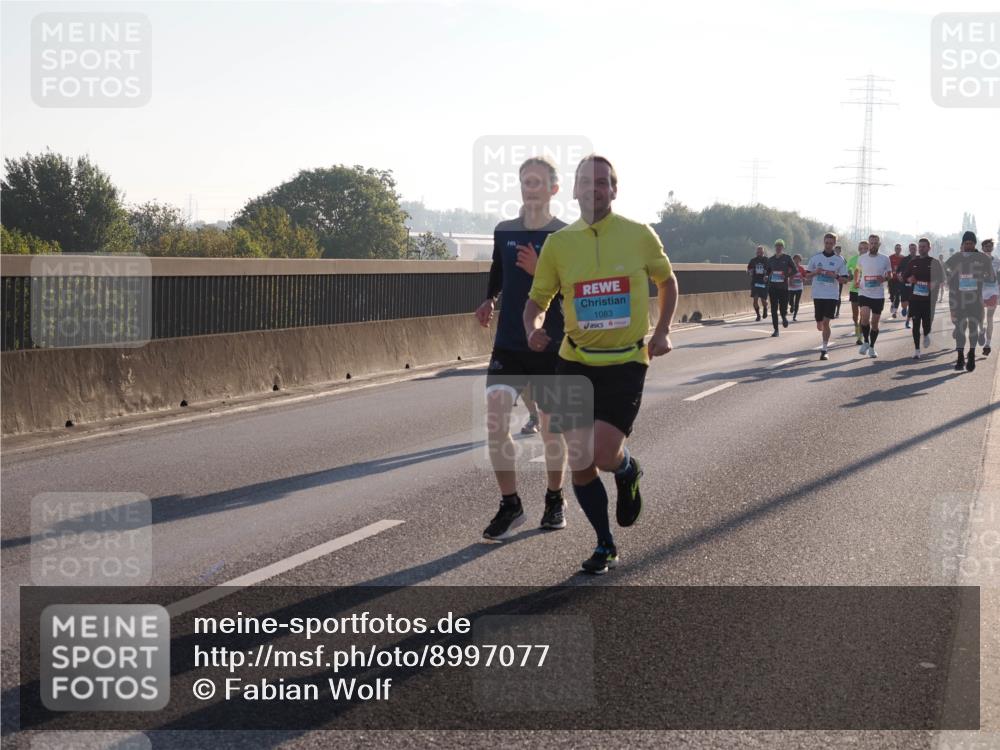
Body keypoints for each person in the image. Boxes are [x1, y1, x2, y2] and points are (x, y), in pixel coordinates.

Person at [524, 154, 677, 574]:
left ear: (614, 189)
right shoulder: (558, 245)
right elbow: (537, 301)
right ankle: (604, 543)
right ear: (574, 190)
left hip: (626, 360)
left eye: (602, 183)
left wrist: (662, 330)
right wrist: (532, 327)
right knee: (579, 457)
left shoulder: (638, 234)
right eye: (586, 183)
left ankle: (628, 469)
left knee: (605, 453)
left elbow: (667, 281)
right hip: (575, 361)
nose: (594, 189)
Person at [476, 156, 568, 540]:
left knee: (551, 429)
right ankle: (511, 504)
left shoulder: (566, 236)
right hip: (509, 343)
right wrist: (489, 299)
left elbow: (574, 288)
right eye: (524, 181)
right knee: (495, 421)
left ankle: (554, 498)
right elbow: (499, 271)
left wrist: (539, 270)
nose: (529, 188)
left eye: (537, 182)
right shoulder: (504, 231)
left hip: (549, 343)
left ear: (553, 189)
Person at [945, 230, 997, 372]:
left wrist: (986, 277)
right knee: (961, 329)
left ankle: (972, 354)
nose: (968, 246)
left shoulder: (982, 258)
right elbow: (945, 268)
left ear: (974, 244)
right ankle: (960, 356)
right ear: (962, 244)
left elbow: (992, 277)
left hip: (976, 300)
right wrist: (951, 277)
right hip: (960, 299)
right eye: (966, 243)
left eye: (971, 243)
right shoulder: (957, 257)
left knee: (973, 328)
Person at [805, 233, 849, 360]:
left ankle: (824, 349)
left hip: (831, 295)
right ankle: (820, 326)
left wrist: (834, 276)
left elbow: (845, 280)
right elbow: (807, 276)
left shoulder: (840, 260)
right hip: (818, 294)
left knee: (826, 322)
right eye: (827, 243)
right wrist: (815, 272)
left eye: (831, 243)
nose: (829, 245)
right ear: (824, 242)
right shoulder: (815, 258)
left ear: (835, 244)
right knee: (820, 324)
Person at [904, 237, 945, 359]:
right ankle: (917, 350)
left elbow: (942, 279)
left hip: (929, 300)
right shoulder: (912, 262)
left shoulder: (934, 262)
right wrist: (908, 279)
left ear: (929, 248)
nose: (921, 248)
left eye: (924, 246)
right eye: (920, 246)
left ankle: (926, 334)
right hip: (915, 299)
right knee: (916, 324)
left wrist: (934, 283)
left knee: (927, 323)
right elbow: (905, 276)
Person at [855, 234, 893, 358]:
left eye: (875, 243)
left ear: (879, 244)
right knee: (864, 317)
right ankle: (866, 341)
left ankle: (872, 347)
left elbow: (890, 274)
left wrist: (884, 278)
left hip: (878, 294)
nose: (873, 245)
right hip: (864, 292)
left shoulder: (885, 259)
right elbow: (857, 270)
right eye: (871, 243)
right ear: (868, 244)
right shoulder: (862, 258)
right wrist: (856, 281)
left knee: (875, 323)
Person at [766, 239, 797, 336]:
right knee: (773, 309)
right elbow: (767, 271)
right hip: (773, 287)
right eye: (777, 246)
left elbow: (795, 270)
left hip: (783, 287)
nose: (778, 248)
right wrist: (766, 276)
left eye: (780, 246)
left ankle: (784, 317)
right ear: (775, 247)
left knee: (783, 308)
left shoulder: (787, 258)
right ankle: (776, 330)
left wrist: (786, 276)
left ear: (783, 247)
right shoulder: (770, 259)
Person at [980, 239, 998, 355]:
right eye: (986, 246)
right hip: (980, 292)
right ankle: (981, 331)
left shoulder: (997, 261)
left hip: (993, 292)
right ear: (982, 248)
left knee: (990, 318)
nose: (988, 248)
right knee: (980, 318)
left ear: (992, 247)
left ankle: (988, 344)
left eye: (990, 246)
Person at [897, 242, 918, 328]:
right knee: (904, 303)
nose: (912, 250)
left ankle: (907, 322)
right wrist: (899, 276)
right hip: (905, 284)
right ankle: (904, 308)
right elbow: (898, 271)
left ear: (916, 249)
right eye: (911, 249)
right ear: (909, 249)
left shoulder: (919, 259)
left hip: (915, 285)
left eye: (914, 249)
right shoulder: (905, 259)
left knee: (912, 304)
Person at [846, 246, 863, 345]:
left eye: (866, 248)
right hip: (854, 290)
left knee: (863, 313)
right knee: (855, 315)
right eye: (862, 248)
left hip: (865, 291)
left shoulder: (870, 260)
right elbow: (846, 269)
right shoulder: (853, 259)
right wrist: (849, 275)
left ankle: (859, 336)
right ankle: (856, 325)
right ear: (859, 249)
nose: (863, 250)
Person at [747, 246, 769, 321]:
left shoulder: (767, 260)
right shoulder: (753, 260)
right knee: (755, 299)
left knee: (763, 300)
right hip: (755, 282)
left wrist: (767, 275)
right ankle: (758, 315)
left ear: (763, 252)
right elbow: (749, 269)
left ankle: (765, 309)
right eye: (758, 252)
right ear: (756, 252)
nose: (759, 253)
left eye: (761, 252)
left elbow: (770, 270)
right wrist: (750, 272)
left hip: (764, 282)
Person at [788, 253, 806, 322]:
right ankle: (792, 306)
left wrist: (803, 278)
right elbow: (787, 275)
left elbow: (805, 276)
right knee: (790, 301)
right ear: (793, 260)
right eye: (795, 259)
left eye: (798, 259)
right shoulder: (790, 268)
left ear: (800, 260)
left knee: (797, 302)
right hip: (791, 287)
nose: (796, 260)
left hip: (799, 287)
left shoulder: (801, 268)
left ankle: (794, 316)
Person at [888, 243, 904, 318]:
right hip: (891, 279)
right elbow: (886, 267)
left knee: (897, 295)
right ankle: (892, 303)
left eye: (899, 248)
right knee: (892, 295)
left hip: (899, 280)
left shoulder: (903, 258)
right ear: (895, 249)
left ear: (901, 250)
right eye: (896, 248)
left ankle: (895, 311)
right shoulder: (890, 257)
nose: (898, 249)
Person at [833, 245, 844, 317]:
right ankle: (833, 310)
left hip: (839, 279)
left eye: (839, 250)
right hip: (832, 280)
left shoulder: (842, 259)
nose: (837, 252)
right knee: (833, 295)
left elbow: (845, 270)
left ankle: (837, 311)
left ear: (840, 251)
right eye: (836, 250)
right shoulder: (832, 258)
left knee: (838, 295)